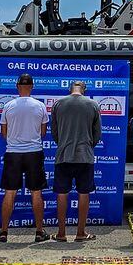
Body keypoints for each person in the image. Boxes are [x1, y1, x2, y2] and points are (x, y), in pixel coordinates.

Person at [0, 72, 50, 242]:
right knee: (36, 193)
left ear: (17, 87)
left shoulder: (8, 106)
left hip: (13, 152)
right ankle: (39, 232)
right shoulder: (40, 106)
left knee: (10, 193)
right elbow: (43, 132)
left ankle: (4, 232)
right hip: (34, 152)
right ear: (32, 87)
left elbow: (4, 133)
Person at [49, 80, 101, 242]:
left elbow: (54, 132)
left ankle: (61, 233)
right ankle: (80, 233)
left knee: (62, 194)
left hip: (63, 155)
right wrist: (88, 146)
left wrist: (63, 144)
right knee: (84, 193)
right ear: (84, 90)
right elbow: (97, 133)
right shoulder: (93, 105)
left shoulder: (58, 104)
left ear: (69, 89)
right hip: (85, 156)